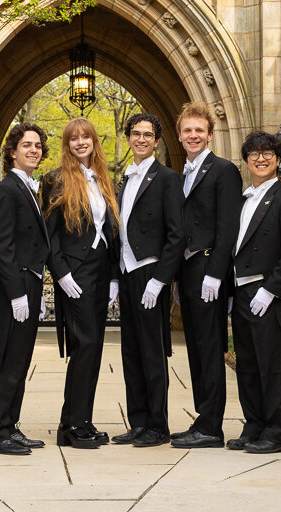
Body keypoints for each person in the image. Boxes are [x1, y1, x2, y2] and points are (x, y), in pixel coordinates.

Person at [228, 131, 281, 453]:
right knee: (246, 363)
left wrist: (272, 289)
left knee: (271, 366)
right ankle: (254, 426)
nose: (260, 159)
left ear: (277, 159)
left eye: (267, 154)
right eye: (254, 154)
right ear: (246, 160)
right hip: (242, 293)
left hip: (268, 296)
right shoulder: (242, 201)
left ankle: (276, 433)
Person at [42, 118, 121, 449]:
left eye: (85, 136)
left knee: (93, 347)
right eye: (73, 138)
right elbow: (49, 235)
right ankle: (74, 424)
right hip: (74, 273)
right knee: (84, 346)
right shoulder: (55, 180)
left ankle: (77, 419)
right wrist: (60, 273)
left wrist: (115, 275)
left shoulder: (103, 179)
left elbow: (112, 231)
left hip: (100, 272)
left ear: (94, 140)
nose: (80, 142)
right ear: (67, 144)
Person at [171, 102, 243, 449]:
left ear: (210, 134)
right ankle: (203, 418)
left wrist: (216, 274)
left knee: (211, 348)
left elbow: (228, 225)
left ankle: (212, 426)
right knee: (196, 349)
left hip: (208, 270)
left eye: (199, 130)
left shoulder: (224, 170)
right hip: (186, 271)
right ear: (180, 135)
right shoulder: (180, 173)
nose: (193, 135)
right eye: (188, 130)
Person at [110, 113, 185, 448]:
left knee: (153, 351)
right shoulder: (125, 180)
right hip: (127, 273)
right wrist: (115, 275)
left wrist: (160, 280)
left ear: (156, 141)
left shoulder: (168, 178)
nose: (141, 139)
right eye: (135, 133)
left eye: (148, 135)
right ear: (128, 138)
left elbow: (177, 234)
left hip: (150, 273)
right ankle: (138, 421)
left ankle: (158, 424)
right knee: (131, 352)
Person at [0, 123, 50, 455]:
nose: (33, 149)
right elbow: (2, 246)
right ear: (12, 151)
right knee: (6, 360)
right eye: (26, 145)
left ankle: (9, 425)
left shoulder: (27, 187)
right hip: (15, 286)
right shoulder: (7, 189)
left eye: (37, 145)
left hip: (29, 281)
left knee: (20, 360)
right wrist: (16, 293)